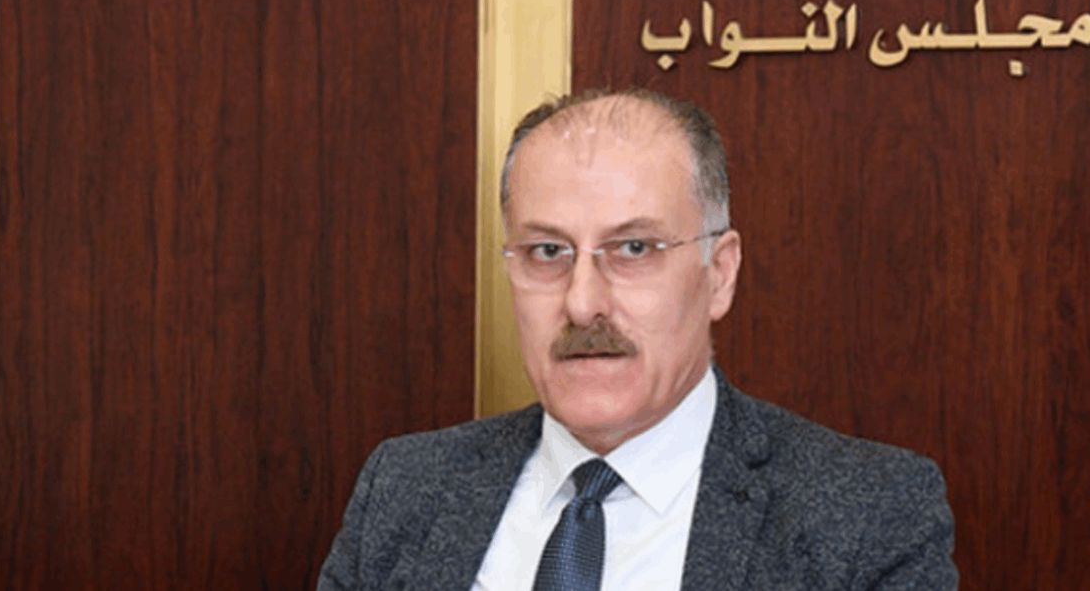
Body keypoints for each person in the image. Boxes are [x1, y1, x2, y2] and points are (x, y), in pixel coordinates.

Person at [319, 88, 957, 590]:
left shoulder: (868, 516)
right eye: (547, 251)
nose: (582, 303)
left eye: (633, 249)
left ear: (719, 273)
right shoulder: (405, 490)